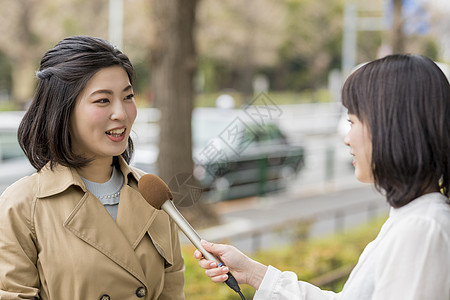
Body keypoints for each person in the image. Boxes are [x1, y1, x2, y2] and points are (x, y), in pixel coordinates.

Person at [194, 54, 450, 299]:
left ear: (392, 127)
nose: (347, 138)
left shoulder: (422, 229)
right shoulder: (413, 218)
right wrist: (252, 273)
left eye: (353, 122)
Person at [0, 36, 185, 299]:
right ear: (61, 109)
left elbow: (173, 290)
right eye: (102, 100)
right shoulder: (21, 205)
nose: (121, 113)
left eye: (128, 96)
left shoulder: (153, 195)